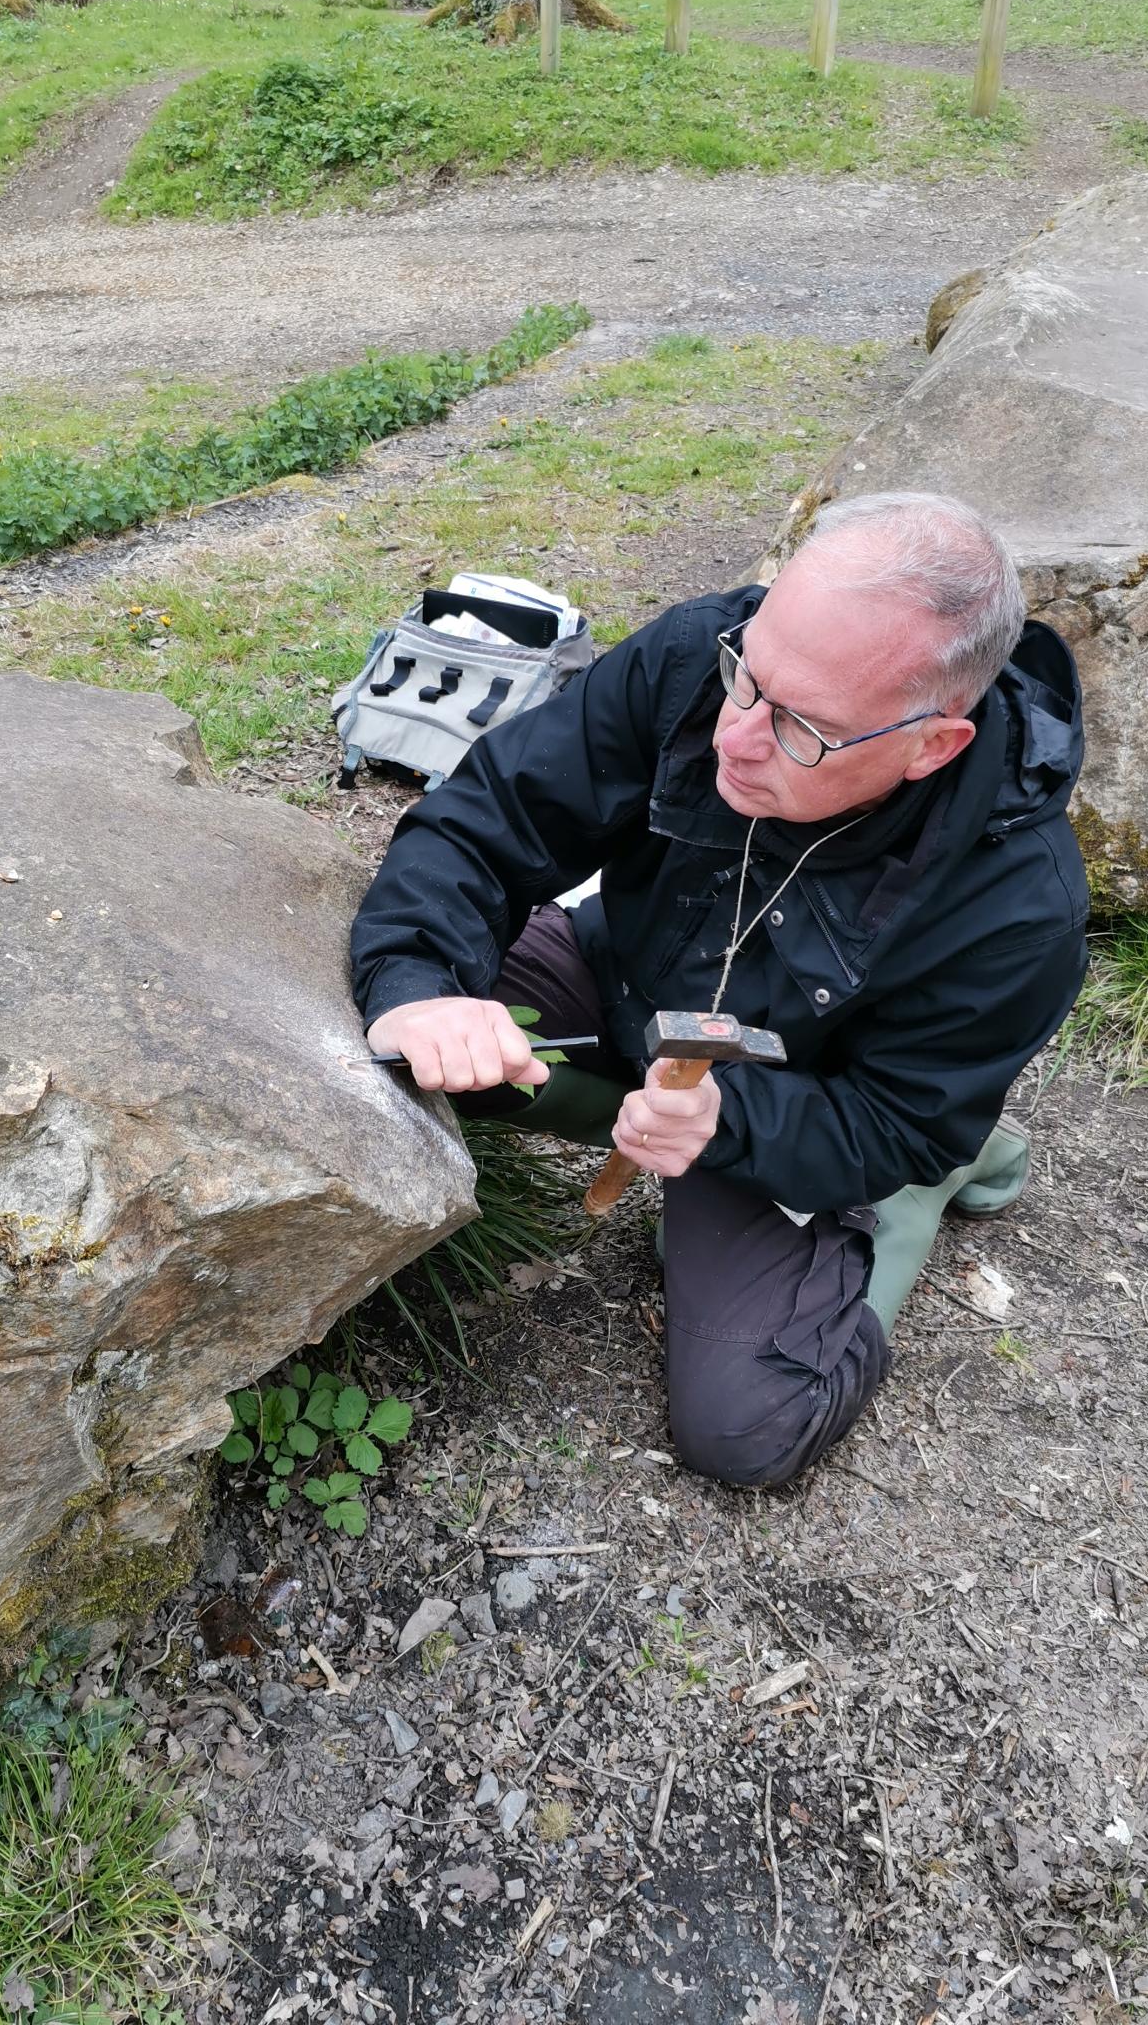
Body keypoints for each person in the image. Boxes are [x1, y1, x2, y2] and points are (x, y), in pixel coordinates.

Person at [351, 491, 1088, 1489]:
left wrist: (724, 1124)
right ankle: (656, 1112)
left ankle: (934, 1190)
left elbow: (900, 1120)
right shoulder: (702, 654)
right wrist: (417, 983)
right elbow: (490, 819)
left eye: (805, 732)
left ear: (931, 745)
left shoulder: (1016, 904)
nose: (737, 736)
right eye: (749, 679)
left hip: (810, 1100)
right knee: (395, 1039)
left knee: (745, 1426)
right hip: (627, 977)